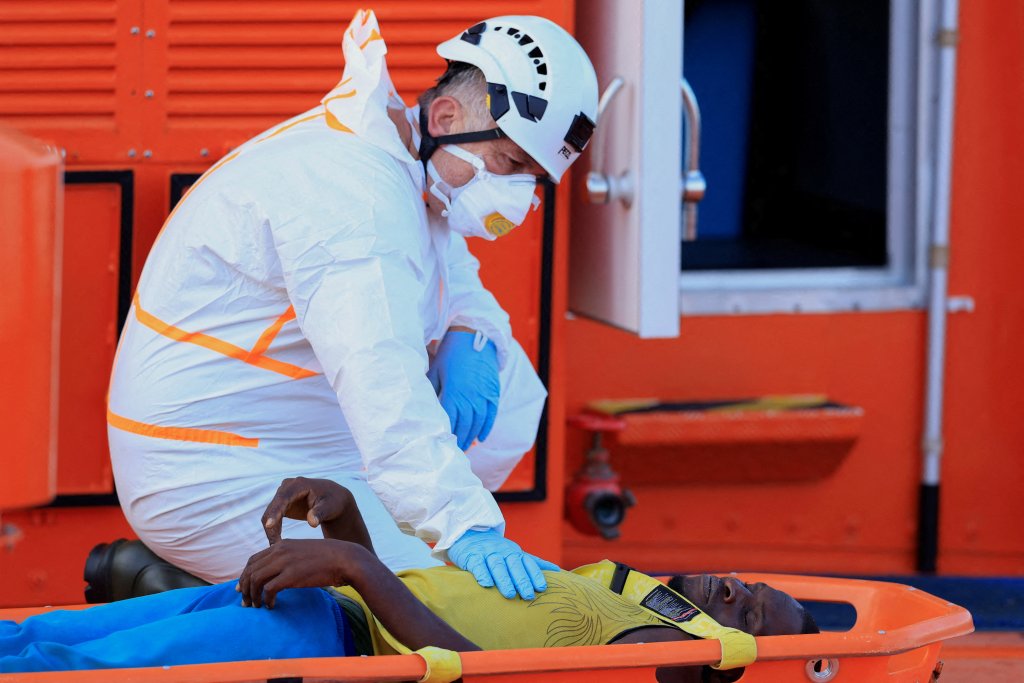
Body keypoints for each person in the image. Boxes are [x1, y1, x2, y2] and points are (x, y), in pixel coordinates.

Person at [105, 8, 599, 598]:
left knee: (506, 375)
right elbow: (378, 374)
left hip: (275, 430)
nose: (518, 195)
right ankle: (178, 583)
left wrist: (470, 330)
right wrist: (463, 525)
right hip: (208, 469)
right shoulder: (352, 198)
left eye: (533, 179)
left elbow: (449, 272)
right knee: (432, 597)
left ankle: (419, 530)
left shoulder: (406, 159)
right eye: (511, 165)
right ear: (446, 116)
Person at [0, 479, 817, 683]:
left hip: (324, 641)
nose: (736, 586)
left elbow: (489, 676)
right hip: (318, 606)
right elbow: (428, 611)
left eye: (755, 609)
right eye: (746, 582)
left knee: (68, 673)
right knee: (41, 637)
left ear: (740, 653)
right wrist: (346, 524)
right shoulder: (618, 594)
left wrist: (354, 562)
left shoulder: (659, 651)